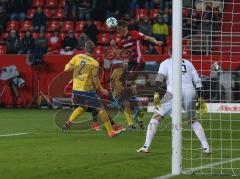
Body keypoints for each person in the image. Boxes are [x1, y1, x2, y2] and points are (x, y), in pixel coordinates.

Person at [137, 48, 211, 153]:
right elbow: (197, 79)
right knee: (192, 119)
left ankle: (146, 146)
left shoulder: (166, 62)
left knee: (157, 115)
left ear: (169, 53)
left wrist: (156, 91)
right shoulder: (188, 63)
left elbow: (159, 78)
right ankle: (206, 147)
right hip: (190, 90)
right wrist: (199, 93)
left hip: (172, 91)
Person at [62, 40, 120, 138]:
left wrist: (72, 67)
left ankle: (68, 123)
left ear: (85, 48)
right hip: (87, 90)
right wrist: (101, 90)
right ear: (94, 50)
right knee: (101, 109)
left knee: (82, 107)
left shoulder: (77, 57)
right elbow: (95, 81)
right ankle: (111, 132)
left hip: (76, 90)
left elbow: (66, 69)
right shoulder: (94, 63)